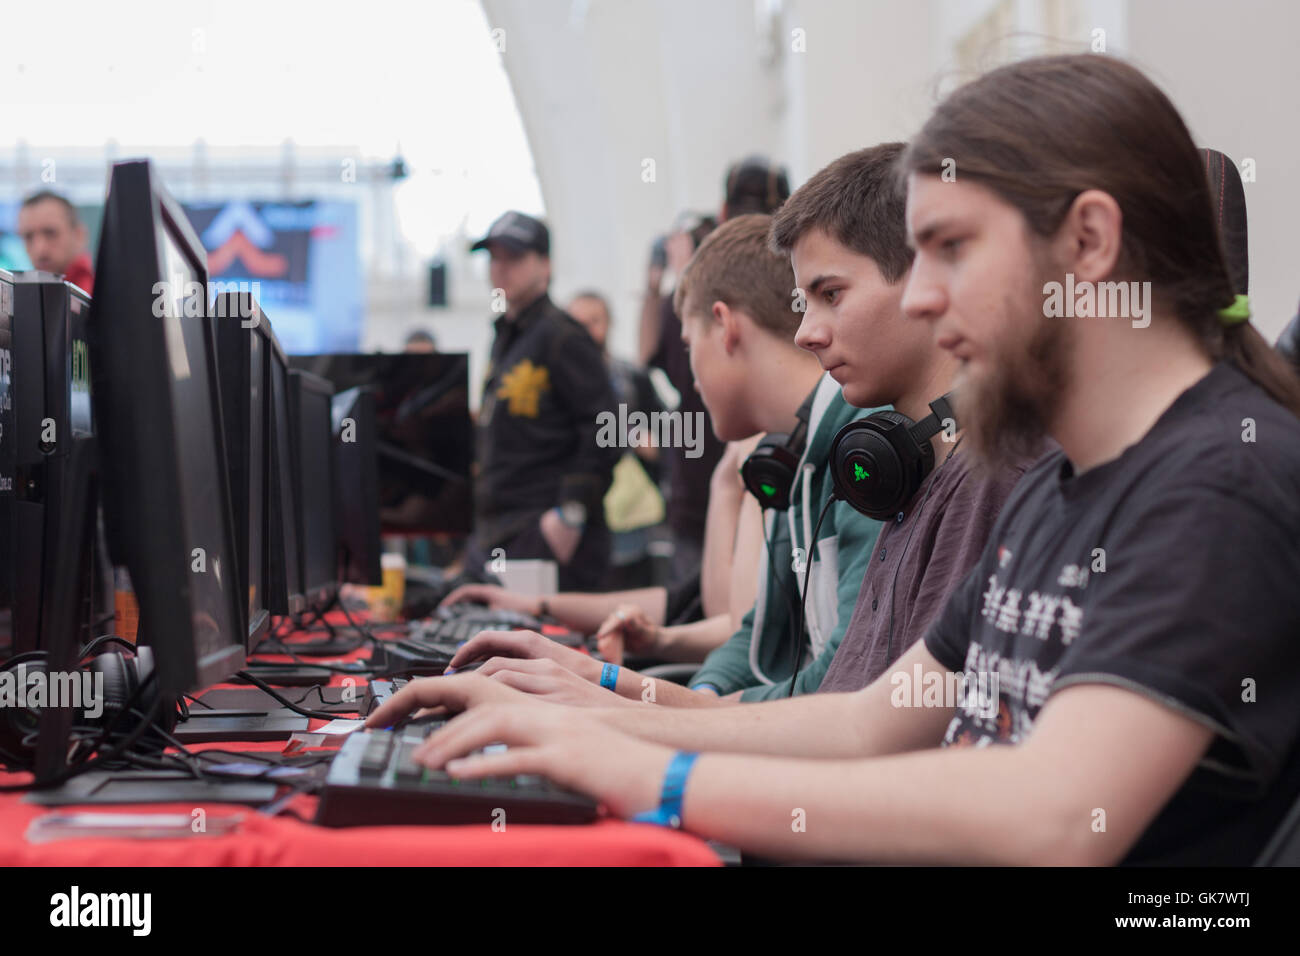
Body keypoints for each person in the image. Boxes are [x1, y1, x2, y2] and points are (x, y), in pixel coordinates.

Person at [370, 54, 1300, 865]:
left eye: (950, 250)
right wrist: (584, 716)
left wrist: (649, 770)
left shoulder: (1216, 483)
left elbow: (1056, 816)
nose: (923, 299)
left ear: (1090, 242)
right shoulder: (1063, 483)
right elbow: (870, 719)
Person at [448, 212, 890, 703]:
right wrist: (683, 692)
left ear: (723, 327)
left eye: (685, 345)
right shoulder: (791, 455)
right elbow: (753, 635)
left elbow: (836, 686)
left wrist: (634, 695)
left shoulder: (852, 453)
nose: (691, 382)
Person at [640, 160, 791, 593]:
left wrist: (677, 282)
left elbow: (650, 353)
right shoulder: (795, 285)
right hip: (739, 482)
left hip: (733, 484)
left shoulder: (709, 289)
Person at [462, 211, 620, 591]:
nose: (500, 270)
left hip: (545, 535)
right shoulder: (506, 336)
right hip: (501, 531)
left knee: (537, 646)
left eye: (513, 258)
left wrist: (570, 513)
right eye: (494, 259)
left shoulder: (563, 336)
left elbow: (609, 426)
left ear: (545, 266)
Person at [17, 190, 94, 292]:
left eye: (50, 233)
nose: (39, 248)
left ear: (79, 235)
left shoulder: (100, 296)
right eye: (28, 237)